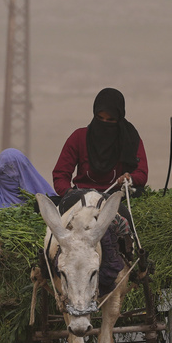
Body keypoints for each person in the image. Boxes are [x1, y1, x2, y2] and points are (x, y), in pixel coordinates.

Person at [51, 87, 148, 296]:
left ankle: (133, 263)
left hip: (112, 197)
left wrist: (129, 178)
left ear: (119, 118)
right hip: (79, 198)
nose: (104, 123)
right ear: (93, 115)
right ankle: (50, 266)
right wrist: (69, 193)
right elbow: (60, 174)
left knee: (126, 221)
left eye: (110, 120)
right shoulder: (78, 138)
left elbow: (142, 172)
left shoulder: (130, 139)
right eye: (99, 118)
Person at [0, 148, 54, 216]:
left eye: (12, 170)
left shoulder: (40, 198)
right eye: (3, 173)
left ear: (22, 170)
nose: (8, 176)